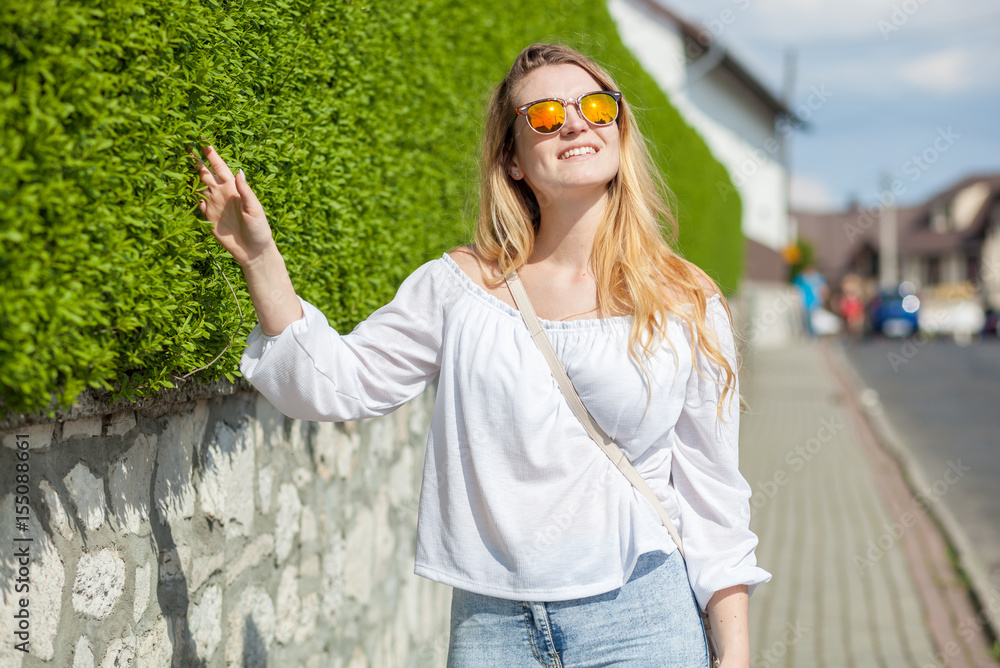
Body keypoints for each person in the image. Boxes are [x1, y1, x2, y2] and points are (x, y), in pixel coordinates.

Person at [192, 43, 769, 667]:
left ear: (620, 131)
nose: (575, 123)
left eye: (597, 106)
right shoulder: (460, 289)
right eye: (545, 115)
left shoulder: (683, 298)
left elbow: (714, 497)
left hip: (642, 617)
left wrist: (732, 657)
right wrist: (260, 260)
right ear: (513, 160)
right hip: (494, 628)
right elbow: (336, 383)